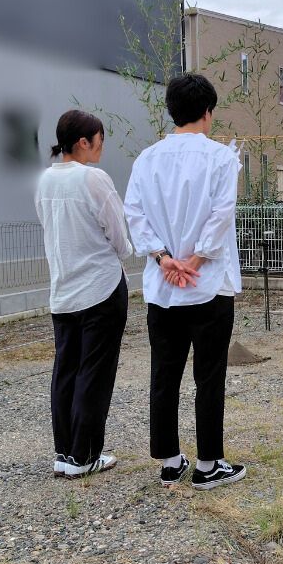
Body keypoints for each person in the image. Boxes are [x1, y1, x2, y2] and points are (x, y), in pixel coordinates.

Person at [124, 73, 247, 490]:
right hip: (207, 283)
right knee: (209, 376)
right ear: (208, 112)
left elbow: (134, 214)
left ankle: (171, 460)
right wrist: (193, 259)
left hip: (163, 286)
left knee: (165, 372)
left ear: (172, 111)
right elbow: (221, 213)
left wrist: (163, 259)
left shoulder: (146, 159)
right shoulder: (221, 158)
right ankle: (209, 463)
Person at [35, 110, 134, 479]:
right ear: (83, 142)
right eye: (99, 141)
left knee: (66, 370)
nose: (100, 148)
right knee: (94, 372)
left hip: (62, 289)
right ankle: (85, 455)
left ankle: (65, 453)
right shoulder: (93, 178)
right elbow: (119, 238)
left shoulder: (45, 180)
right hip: (100, 288)